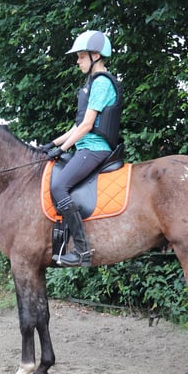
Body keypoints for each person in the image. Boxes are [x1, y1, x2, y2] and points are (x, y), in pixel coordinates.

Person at [39, 29, 123, 267]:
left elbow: (87, 125)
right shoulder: (92, 84)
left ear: (95, 55)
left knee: (58, 186)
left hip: (94, 149)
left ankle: (82, 251)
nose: (78, 62)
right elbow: (77, 126)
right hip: (84, 147)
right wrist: (53, 144)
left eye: (81, 57)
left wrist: (63, 149)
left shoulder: (102, 83)